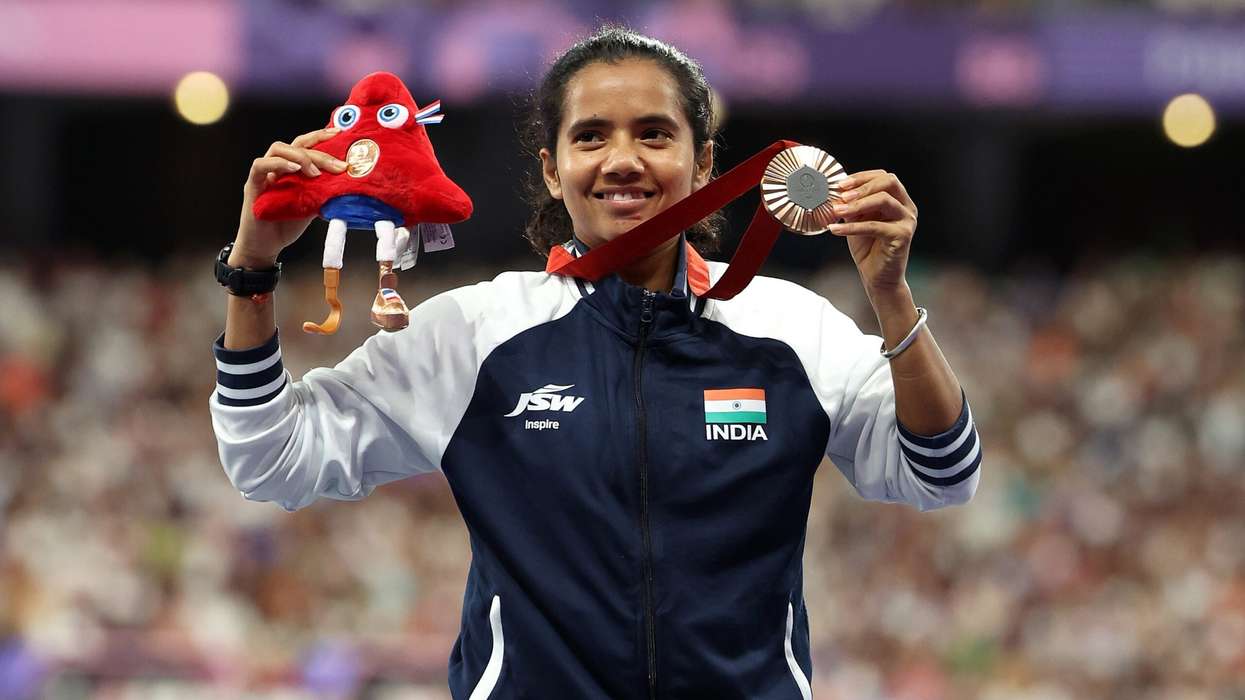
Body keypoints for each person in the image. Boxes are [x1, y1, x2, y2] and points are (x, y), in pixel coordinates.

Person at [210, 27, 981, 699]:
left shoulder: (790, 331)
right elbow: (270, 458)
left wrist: (890, 297)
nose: (622, 160)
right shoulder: (475, 333)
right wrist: (252, 268)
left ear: (703, 160)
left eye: (653, 133)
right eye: (590, 137)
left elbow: (941, 474)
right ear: (552, 169)